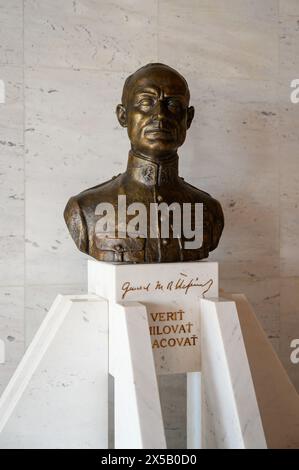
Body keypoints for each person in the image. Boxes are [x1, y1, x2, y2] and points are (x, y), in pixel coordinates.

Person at [64, 63, 224, 263]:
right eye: (146, 102)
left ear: (188, 118)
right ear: (123, 116)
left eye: (173, 105)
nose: (160, 115)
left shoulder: (208, 210)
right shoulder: (86, 208)